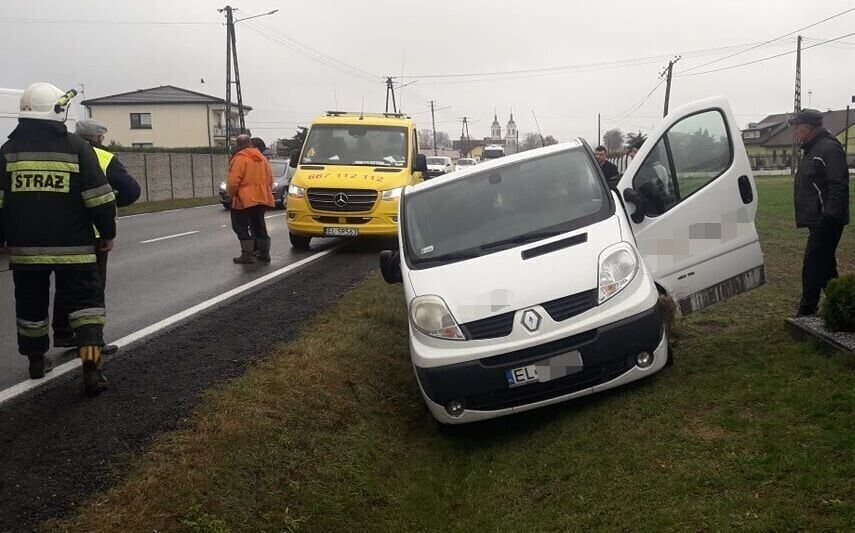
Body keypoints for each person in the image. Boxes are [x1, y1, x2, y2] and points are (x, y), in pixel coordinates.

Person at [0, 83, 116, 395]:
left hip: (26, 252)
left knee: (30, 308)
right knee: (86, 307)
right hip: (75, 250)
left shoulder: (8, 151)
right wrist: (107, 233)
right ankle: (92, 370)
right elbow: (100, 198)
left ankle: (36, 362)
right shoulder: (77, 147)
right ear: (56, 111)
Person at [51, 119, 141, 355]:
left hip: (59, 232)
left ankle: (63, 332)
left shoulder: (59, 153)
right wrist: (111, 202)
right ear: (98, 138)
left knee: (65, 285)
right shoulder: (102, 157)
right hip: (92, 233)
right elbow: (131, 191)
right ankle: (92, 343)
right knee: (91, 288)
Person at [790, 109, 850, 316]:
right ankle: (842, 305)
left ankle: (807, 310)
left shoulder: (828, 149)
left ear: (808, 127)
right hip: (819, 219)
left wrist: (829, 217)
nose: (796, 133)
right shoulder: (813, 149)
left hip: (826, 220)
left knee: (813, 265)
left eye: (798, 128)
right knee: (825, 265)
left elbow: (838, 185)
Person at [227, 134, 274, 264]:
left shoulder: (240, 159)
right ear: (250, 143)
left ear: (238, 144)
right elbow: (270, 179)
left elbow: (233, 181)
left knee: (240, 226)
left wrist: (230, 195)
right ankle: (264, 253)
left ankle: (247, 254)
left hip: (244, 199)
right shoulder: (262, 159)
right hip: (261, 198)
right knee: (259, 225)